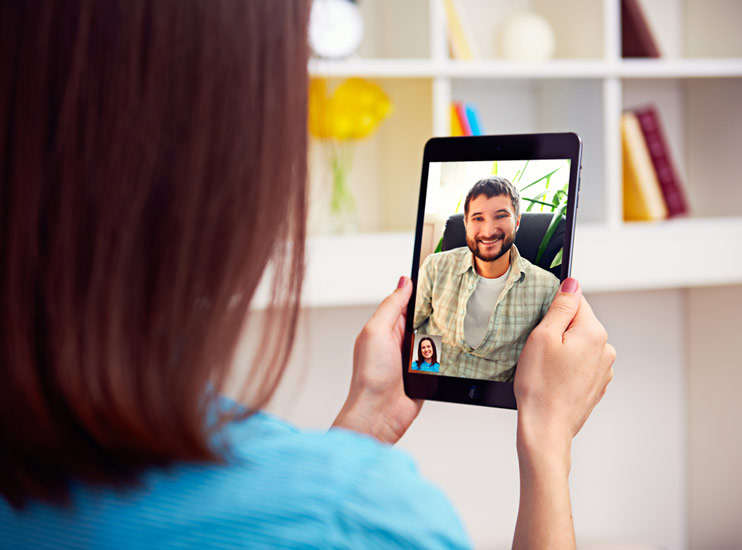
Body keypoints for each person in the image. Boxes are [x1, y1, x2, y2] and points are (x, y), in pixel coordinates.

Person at [0, 2, 615, 549]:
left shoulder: (535, 287)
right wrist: (546, 439)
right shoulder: (362, 515)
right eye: (475, 216)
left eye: (500, 216)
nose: (486, 228)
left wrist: (366, 423)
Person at [414, 176, 560, 381]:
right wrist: (425, 380)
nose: (489, 231)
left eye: (500, 216)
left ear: (517, 221)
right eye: (478, 218)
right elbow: (410, 326)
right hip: (433, 387)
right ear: (466, 223)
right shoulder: (436, 267)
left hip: (495, 403)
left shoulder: (547, 287)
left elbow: (550, 360)